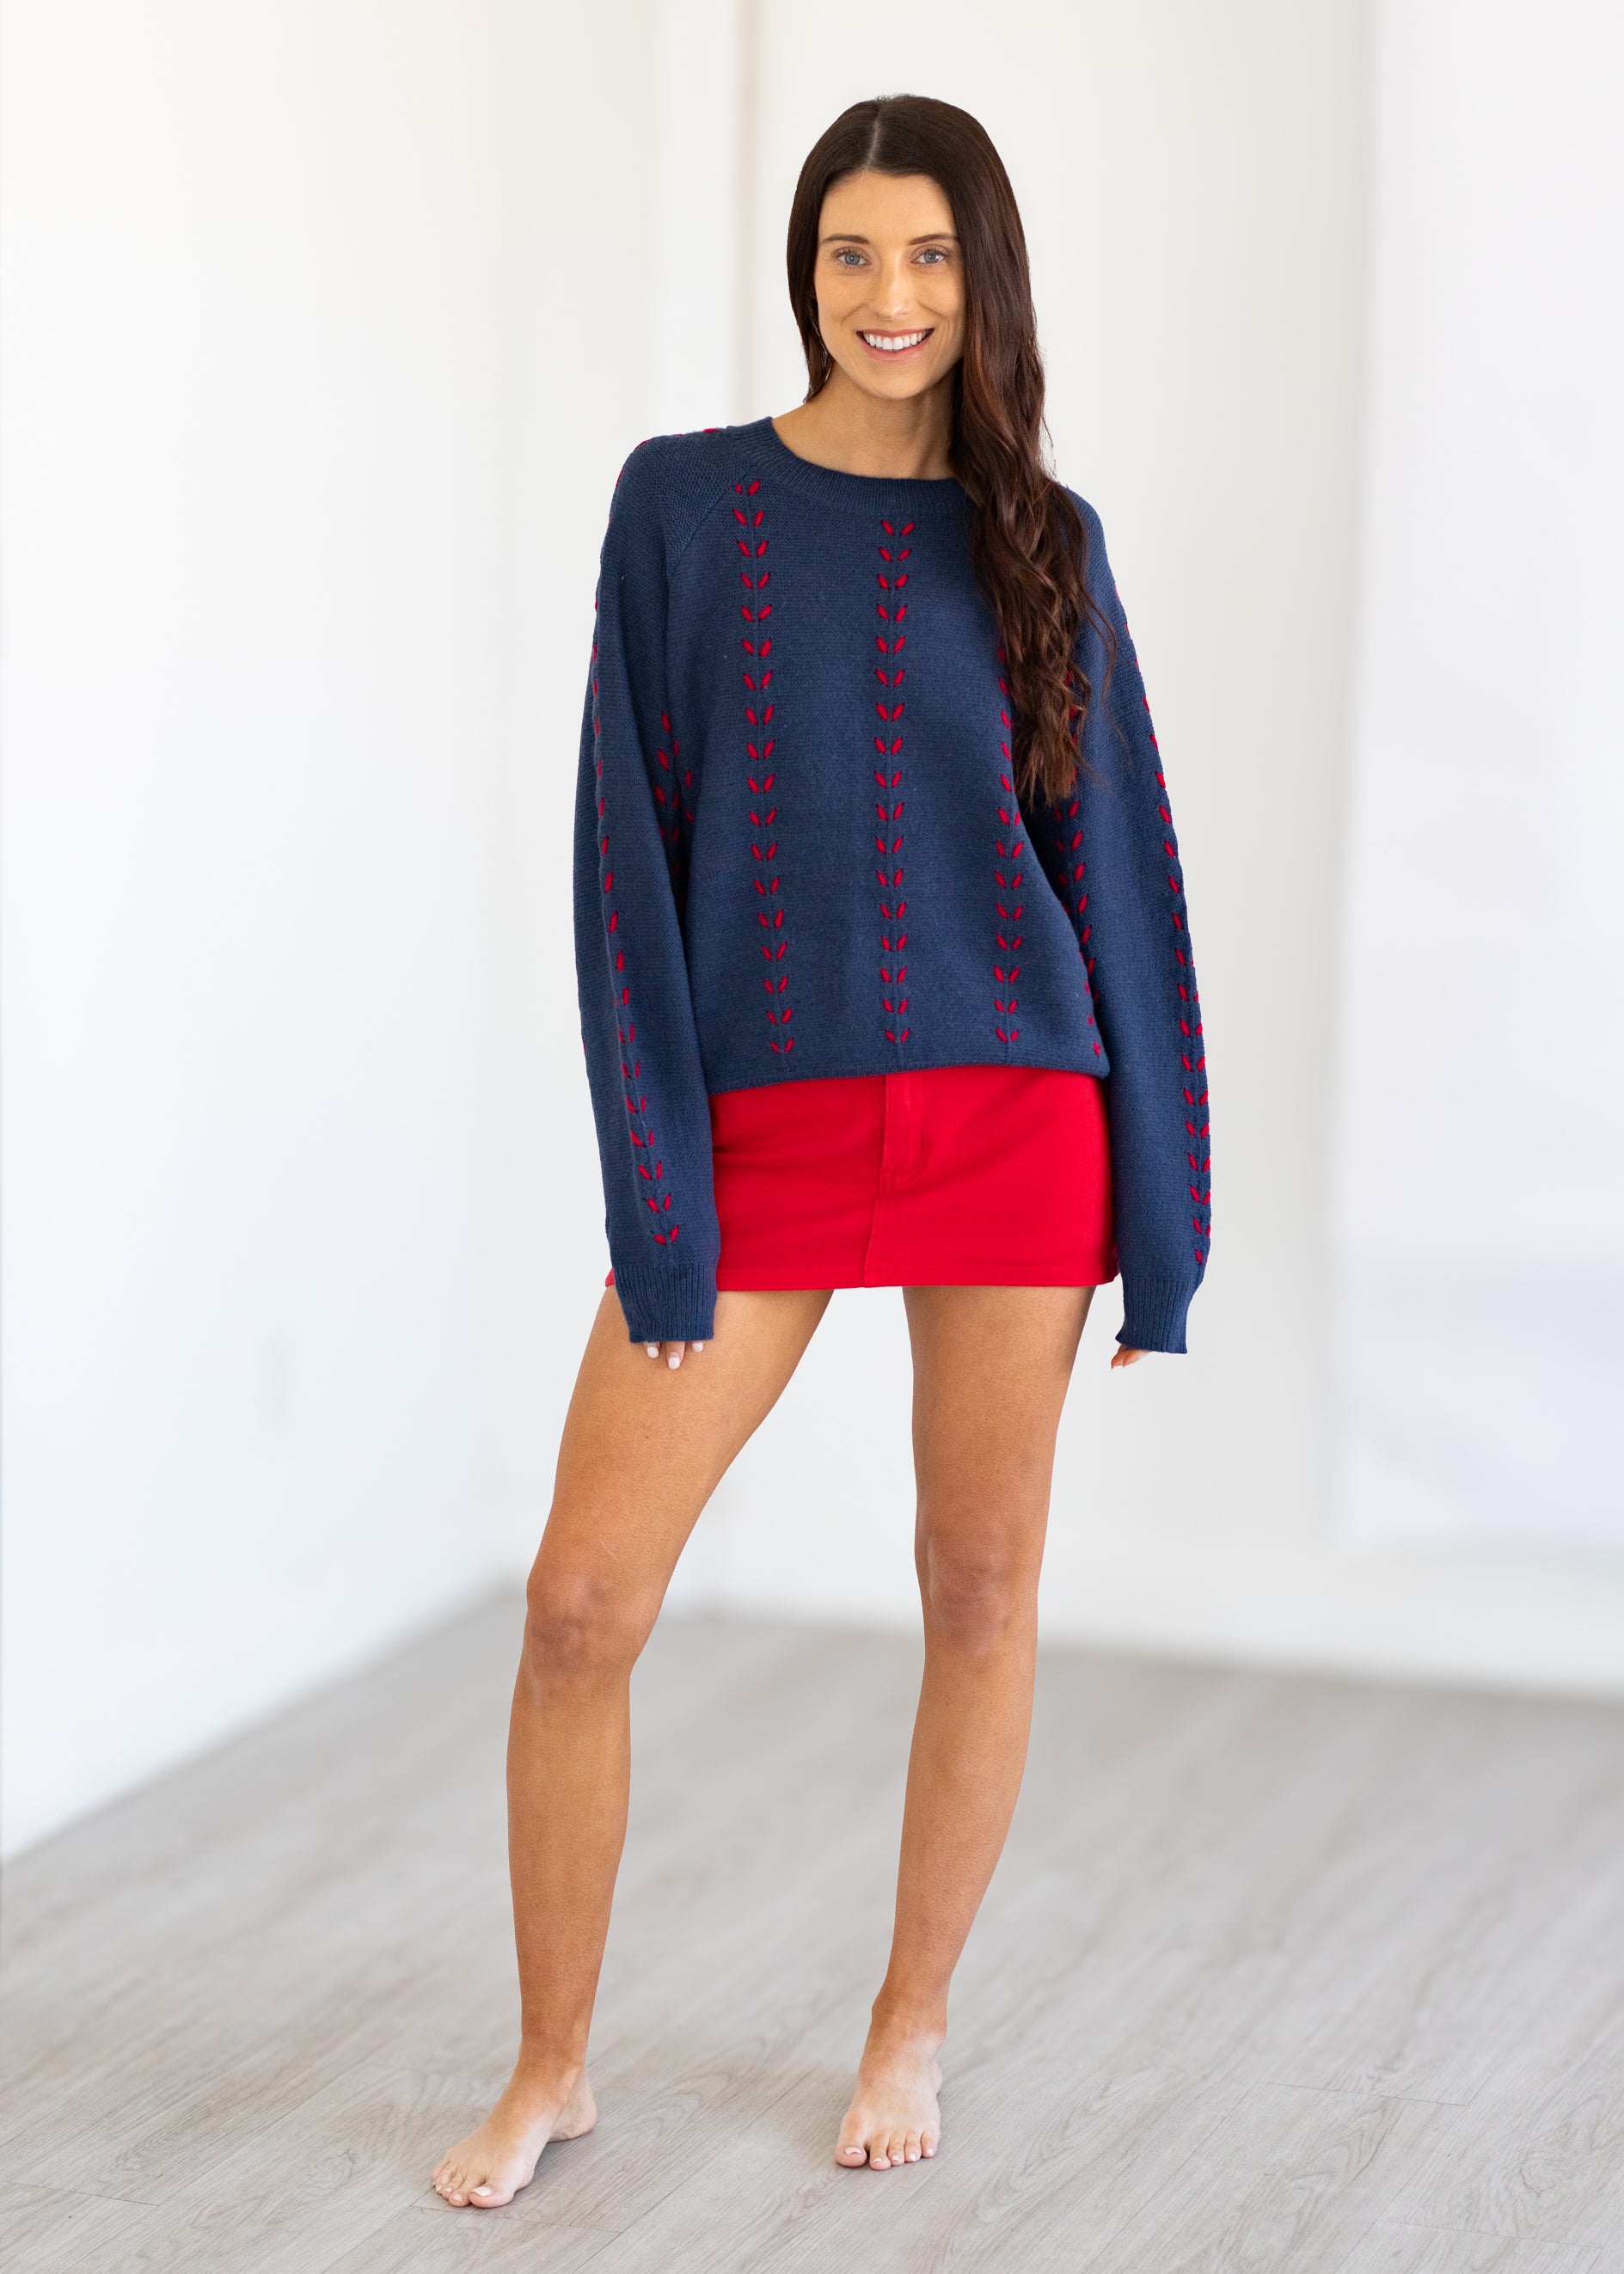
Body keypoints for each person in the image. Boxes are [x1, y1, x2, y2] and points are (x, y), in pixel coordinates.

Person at [432, 90, 1210, 2208]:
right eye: (854, 252)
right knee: (581, 1602)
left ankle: (910, 2016)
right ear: (807, 270)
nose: (891, 296)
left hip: (1012, 1118)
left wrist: (1163, 1226)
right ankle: (554, 2063)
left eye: (932, 256)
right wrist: (657, 1202)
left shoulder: (1045, 540)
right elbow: (623, 867)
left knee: (978, 1583)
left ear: (985, 281)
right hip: (759, 1132)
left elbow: (1119, 879)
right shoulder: (684, 510)